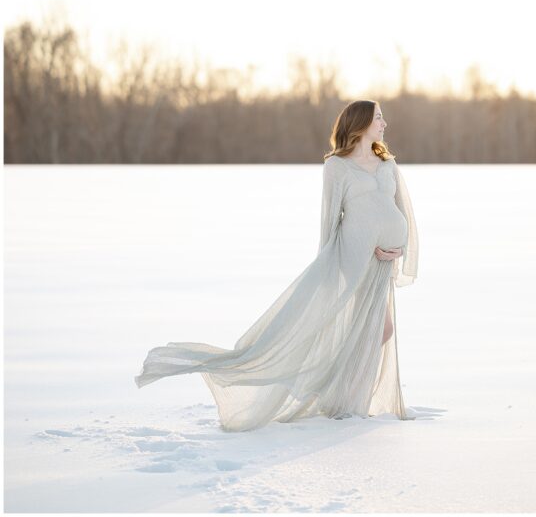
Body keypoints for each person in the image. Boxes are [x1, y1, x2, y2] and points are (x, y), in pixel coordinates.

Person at [133, 99, 419, 431]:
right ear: (361, 123)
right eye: (378, 118)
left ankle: (347, 399)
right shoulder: (337, 166)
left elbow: (401, 209)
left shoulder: (387, 163)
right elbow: (329, 219)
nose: (384, 124)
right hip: (354, 257)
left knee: (376, 330)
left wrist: (399, 249)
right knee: (373, 330)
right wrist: (327, 267)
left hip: (383, 260)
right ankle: (345, 401)